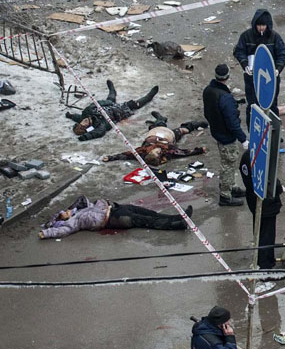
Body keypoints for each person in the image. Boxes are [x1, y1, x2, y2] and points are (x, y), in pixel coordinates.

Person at [202, 64, 248, 207]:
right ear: (227, 76)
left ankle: (231, 187)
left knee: (227, 163)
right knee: (229, 165)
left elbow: (208, 113)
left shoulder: (208, 91)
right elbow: (232, 122)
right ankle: (225, 196)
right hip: (227, 136)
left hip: (217, 131)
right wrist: (243, 139)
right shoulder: (225, 97)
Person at [40, 196, 190, 238]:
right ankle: (178, 224)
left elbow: (81, 198)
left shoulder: (79, 211)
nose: (66, 212)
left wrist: (71, 209)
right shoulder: (73, 222)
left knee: (150, 213)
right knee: (148, 221)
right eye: (63, 214)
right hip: (114, 219)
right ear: (62, 220)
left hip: (117, 208)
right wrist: (46, 232)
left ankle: (177, 217)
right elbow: (62, 232)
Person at [233, 9, 285, 124]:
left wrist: (278, 69)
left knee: (272, 104)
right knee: (253, 104)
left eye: (264, 25)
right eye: (259, 25)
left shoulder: (274, 37)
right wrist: (245, 65)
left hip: (270, 77)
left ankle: (274, 131)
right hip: (252, 77)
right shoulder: (246, 36)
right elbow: (239, 51)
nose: (261, 28)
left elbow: (282, 53)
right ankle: (253, 131)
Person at [66, 79, 159, 141]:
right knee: (135, 104)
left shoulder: (85, 116)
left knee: (110, 97)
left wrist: (70, 115)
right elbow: (99, 132)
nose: (84, 121)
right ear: (88, 127)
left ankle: (112, 91)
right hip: (118, 111)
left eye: (82, 122)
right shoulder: (99, 124)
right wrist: (85, 136)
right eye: (84, 124)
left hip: (107, 105)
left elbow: (77, 117)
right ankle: (149, 96)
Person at [100, 112, 207, 166]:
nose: (157, 150)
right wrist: (199, 150)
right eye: (157, 152)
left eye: (154, 151)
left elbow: (126, 154)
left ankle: (160, 118)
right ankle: (194, 125)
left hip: (155, 133)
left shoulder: (141, 151)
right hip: (168, 136)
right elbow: (184, 152)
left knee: (160, 124)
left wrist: (110, 157)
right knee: (183, 130)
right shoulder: (168, 150)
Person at [239, 147, 283, 270]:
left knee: (259, 231)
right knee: (266, 236)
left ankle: (261, 259)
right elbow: (270, 180)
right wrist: (279, 188)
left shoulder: (247, 156)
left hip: (253, 200)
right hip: (266, 203)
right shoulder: (261, 157)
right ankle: (266, 265)